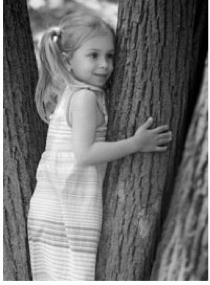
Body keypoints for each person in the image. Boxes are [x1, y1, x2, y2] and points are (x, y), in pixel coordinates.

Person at [27, 14, 173, 280]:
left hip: (58, 204)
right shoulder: (83, 97)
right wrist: (136, 144)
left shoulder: (79, 92)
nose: (105, 65)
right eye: (93, 55)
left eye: (110, 56)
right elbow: (85, 155)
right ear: (67, 60)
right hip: (65, 209)